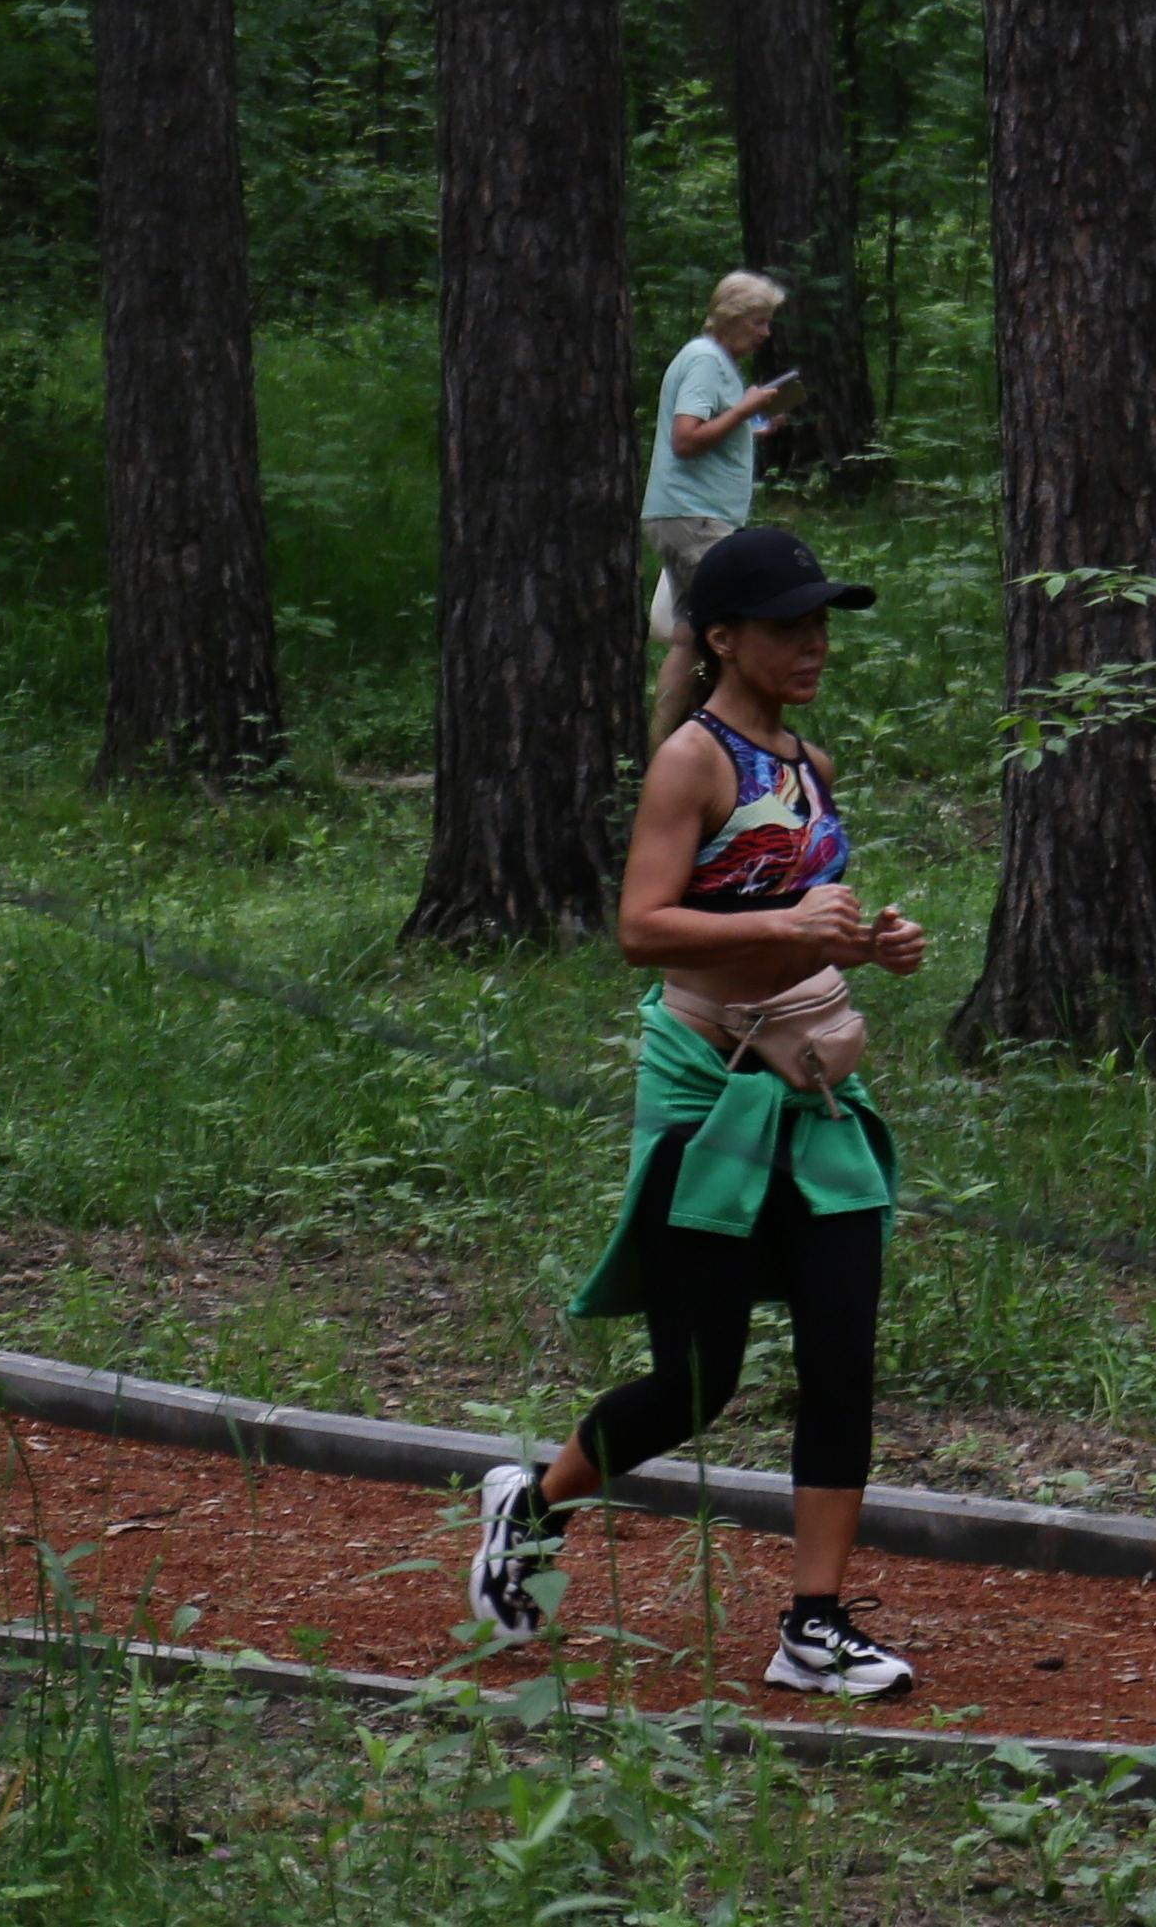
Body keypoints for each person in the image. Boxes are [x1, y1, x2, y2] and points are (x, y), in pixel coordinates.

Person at [470, 523, 937, 1699]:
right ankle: (534, 1498)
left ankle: (814, 1623)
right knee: (698, 1377)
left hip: (817, 1087)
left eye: (821, 622)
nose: (814, 643)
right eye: (789, 626)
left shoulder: (806, 760)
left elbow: (793, 900)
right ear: (722, 638)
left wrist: (874, 945)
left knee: (843, 1358)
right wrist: (789, 932)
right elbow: (642, 928)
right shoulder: (694, 758)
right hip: (703, 1095)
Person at [643, 271, 803, 741]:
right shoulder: (704, 360)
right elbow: (686, 437)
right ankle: (735, 739)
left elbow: (706, 434)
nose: (764, 333)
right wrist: (742, 408)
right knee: (736, 629)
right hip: (695, 518)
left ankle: (663, 745)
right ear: (731, 318)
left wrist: (751, 426)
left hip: (688, 514)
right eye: (758, 322)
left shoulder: (715, 363)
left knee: (691, 636)